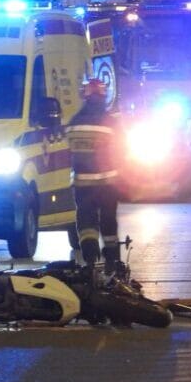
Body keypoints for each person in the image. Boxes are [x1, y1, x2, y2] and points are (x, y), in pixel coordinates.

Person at [65, 79, 123, 274]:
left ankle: (90, 258)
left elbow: (68, 152)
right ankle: (112, 260)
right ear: (103, 96)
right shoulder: (111, 122)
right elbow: (122, 151)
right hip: (108, 183)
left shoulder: (74, 123)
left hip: (82, 184)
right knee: (108, 220)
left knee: (86, 220)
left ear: (85, 96)